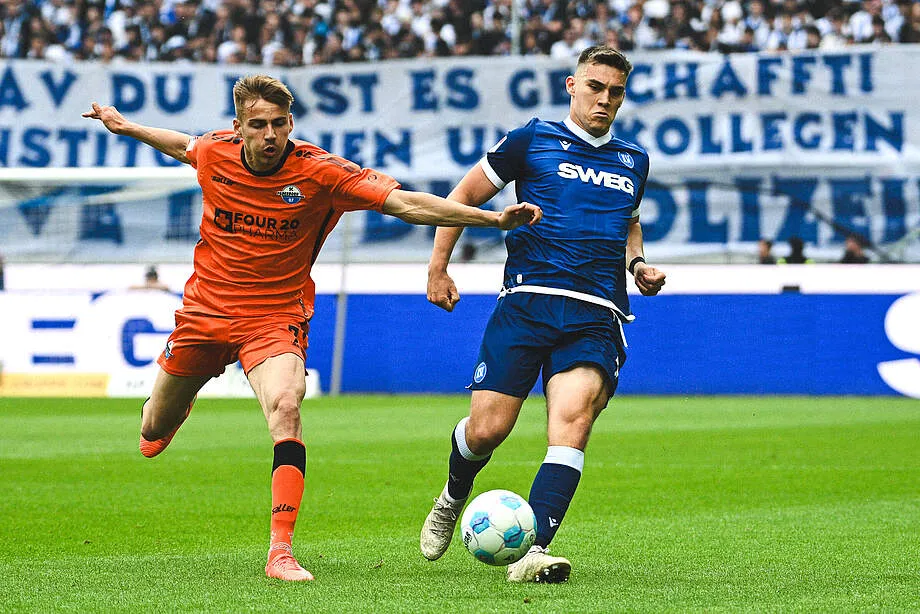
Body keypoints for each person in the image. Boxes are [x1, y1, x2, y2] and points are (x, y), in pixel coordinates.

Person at [82, 75, 541, 583]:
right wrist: (125, 127)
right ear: (239, 128)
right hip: (205, 312)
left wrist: (492, 221)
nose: (271, 134)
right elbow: (182, 145)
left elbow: (407, 204)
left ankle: (280, 552)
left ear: (291, 124)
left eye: (280, 124)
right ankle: (183, 394)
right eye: (259, 125)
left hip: (274, 319)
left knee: (286, 404)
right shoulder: (215, 152)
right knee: (153, 429)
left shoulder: (321, 172)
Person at [419, 46, 666, 583]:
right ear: (571, 85)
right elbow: (462, 196)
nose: (605, 99)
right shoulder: (531, 139)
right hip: (526, 304)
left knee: (572, 422)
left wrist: (638, 263)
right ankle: (453, 494)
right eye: (596, 87)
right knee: (487, 431)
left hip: (596, 313)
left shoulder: (633, 160)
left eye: (616, 92)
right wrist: (439, 267)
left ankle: (534, 549)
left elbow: (629, 222)